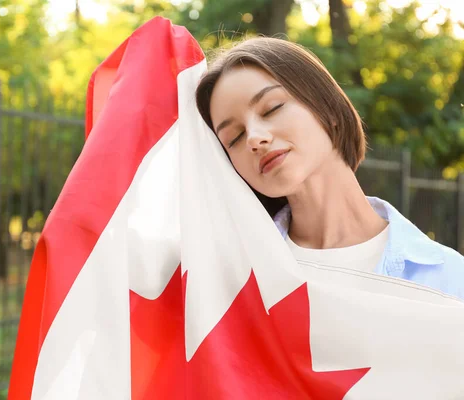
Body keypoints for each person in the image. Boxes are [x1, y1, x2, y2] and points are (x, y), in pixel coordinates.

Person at [195, 37, 464, 300]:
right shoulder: (230, 285)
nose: (254, 137)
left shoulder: (450, 280)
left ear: (328, 109)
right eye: (234, 138)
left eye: (272, 108)